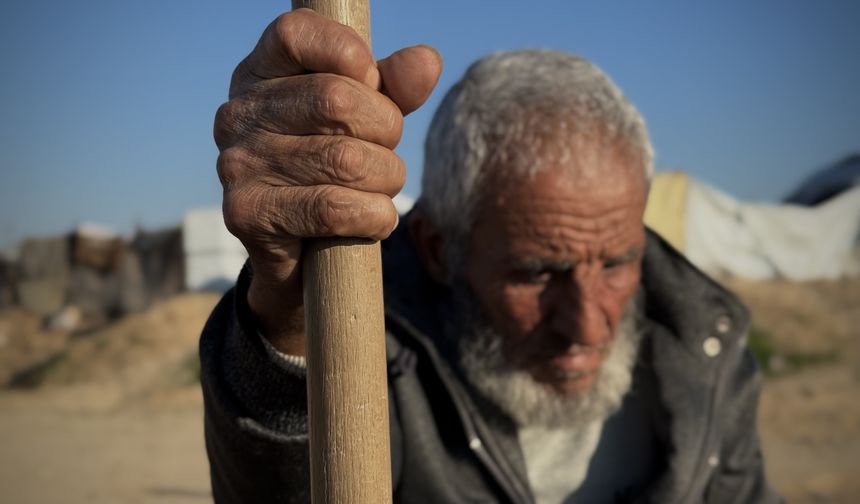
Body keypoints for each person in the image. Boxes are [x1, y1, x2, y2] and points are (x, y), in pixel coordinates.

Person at [202, 9, 781, 503]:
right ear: (436, 247)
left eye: (615, 263)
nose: (584, 324)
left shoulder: (708, 349)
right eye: (536, 272)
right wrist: (292, 317)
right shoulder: (376, 361)